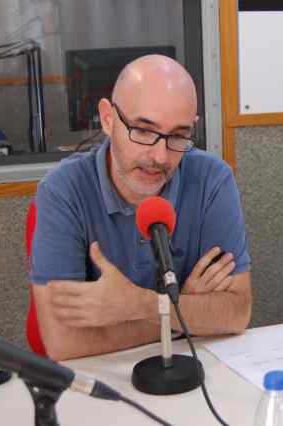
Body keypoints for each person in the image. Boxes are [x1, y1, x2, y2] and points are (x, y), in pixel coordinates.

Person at [30, 55, 251, 361]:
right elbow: (63, 342)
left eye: (178, 136)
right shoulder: (62, 190)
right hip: (104, 378)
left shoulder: (212, 179)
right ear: (108, 119)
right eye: (144, 131)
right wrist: (180, 309)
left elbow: (236, 313)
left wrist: (139, 304)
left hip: (191, 368)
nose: (160, 157)